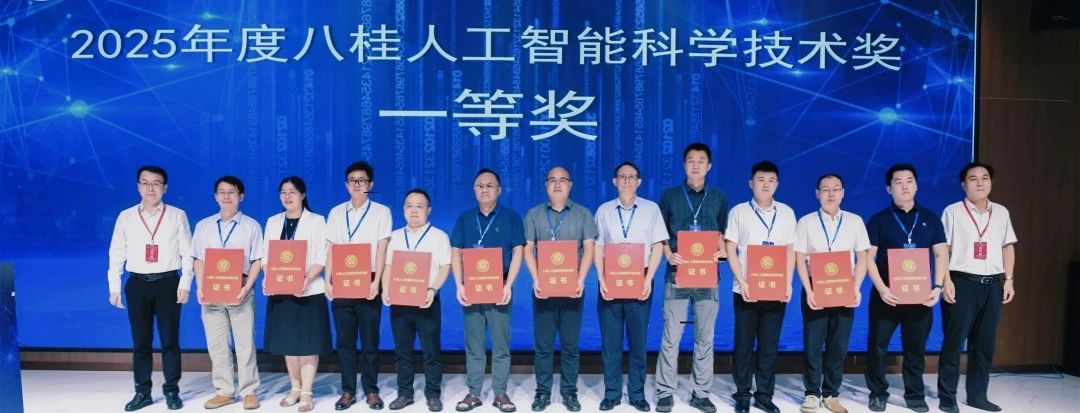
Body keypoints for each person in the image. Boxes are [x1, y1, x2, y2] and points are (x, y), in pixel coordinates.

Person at [863, 163, 948, 413]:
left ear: (917, 185)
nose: (904, 186)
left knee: (915, 348)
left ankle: (915, 394)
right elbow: (868, 258)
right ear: (889, 189)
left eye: (909, 181)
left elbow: (941, 254)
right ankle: (877, 393)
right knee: (877, 346)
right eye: (898, 182)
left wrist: (938, 286)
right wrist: (881, 288)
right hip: (886, 296)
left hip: (920, 297)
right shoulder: (878, 220)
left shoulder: (931, 219)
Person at [108, 165, 192, 411]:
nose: (150, 188)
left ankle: (171, 391)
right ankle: (142, 392)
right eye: (145, 183)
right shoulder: (126, 216)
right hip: (137, 284)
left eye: (156, 183)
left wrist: (185, 283)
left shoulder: (177, 215)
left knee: (170, 341)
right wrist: (114, 287)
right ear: (138, 187)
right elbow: (116, 252)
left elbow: (188, 252)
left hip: (168, 283)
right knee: (141, 342)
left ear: (165, 188)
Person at [936, 162, 1018, 413]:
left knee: (984, 345)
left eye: (985, 178)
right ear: (964, 184)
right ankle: (947, 397)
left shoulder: (1001, 212)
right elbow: (943, 250)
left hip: (992, 285)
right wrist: (946, 281)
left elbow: (1007, 246)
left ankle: (977, 396)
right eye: (973, 179)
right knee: (953, 343)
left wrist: (1009, 279)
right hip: (962, 283)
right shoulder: (952, 211)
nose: (980, 183)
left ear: (991, 182)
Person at [654, 143, 728, 413]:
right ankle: (665, 392)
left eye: (701, 160)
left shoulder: (719, 197)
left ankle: (701, 393)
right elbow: (660, 235)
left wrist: (721, 251)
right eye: (691, 160)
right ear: (684, 165)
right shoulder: (670, 196)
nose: (696, 165)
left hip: (708, 277)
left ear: (709, 166)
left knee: (705, 338)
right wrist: (668, 254)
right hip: (677, 274)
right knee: (671, 336)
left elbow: (723, 234)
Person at [592, 162, 669, 412]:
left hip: (640, 280)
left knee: (638, 341)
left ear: (639, 181)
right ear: (614, 181)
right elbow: (598, 248)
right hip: (610, 281)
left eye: (631, 176)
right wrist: (601, 279)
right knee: (610, 342)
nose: (627, 180)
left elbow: (658, 246)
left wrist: (648, 279)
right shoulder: (604, 210)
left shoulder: (651, 209)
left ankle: (637, 394)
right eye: (622, 176)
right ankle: (612, 393)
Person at [449, 169, 526, 413]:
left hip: (499, 286)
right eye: (480, 185)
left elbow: (519, 252)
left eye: (490, 185)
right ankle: (474, 392)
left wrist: (508, 285)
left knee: (501, 343)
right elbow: (455, 252)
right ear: (474, 189)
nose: (485, 189)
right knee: (474, 343)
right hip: (472, 286)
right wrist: (459, 285)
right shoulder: (464, 219)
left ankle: (500, 393)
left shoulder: (511, 217)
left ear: (499, 190)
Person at [793, 174, 870, 413]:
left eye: (836, 189)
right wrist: (808, 290)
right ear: (817, 193)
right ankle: (811, 393)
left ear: (843, 193)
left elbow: (863, 256)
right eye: (825, 189)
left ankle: (831, 393)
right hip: (815, 287)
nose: (831, 193)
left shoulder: (855, 221)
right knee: (813, 343)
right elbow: (799, 258)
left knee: (839, 344)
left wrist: (856, 288)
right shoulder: (806, 222)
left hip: (844, 287)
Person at [523, 166, 598, 413]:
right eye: (552, 180)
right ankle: (542, 392)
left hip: (572, 289)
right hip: (543, 290)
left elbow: (589, 248)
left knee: (570, 345)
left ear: (571, 184)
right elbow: (528, 249)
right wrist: (535, 280)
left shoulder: (583, 214)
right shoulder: (534, 214)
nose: (557, 184)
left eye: (562, 180)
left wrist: (581, 280)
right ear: (546, 185)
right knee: (543, 346)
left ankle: (569, 392)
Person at [724, 161, 797, 413]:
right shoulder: (738, 212)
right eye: (761, 179)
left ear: (777, 184)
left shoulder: (787, 212)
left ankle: (764, 395)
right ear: (751, 183)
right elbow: (730, 249)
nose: (766, 184)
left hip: (776, 289)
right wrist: (742, 281)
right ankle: (742, 394)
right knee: (743, 345)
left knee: (769, 346)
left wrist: (788, 282)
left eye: (771, 180)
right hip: (746, 290)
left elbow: (790, 249)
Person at [324, 161, 393, 411]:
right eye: (352, 180)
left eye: (362, 180)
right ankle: (348, 391)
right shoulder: (335, 213)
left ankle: (371, 390)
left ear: (370, 184)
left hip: (369, 279)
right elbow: (331, 248)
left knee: (370, 340)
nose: (357, 184)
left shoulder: (381, 212)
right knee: (345, 340)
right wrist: (327, 280)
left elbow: (383, 248)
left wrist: (377, 282)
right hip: (342, 279)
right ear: (346, 185)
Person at [260, 176, 332, 413]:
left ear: (302, 194)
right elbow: (266, 256)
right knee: (289, 342)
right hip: (281, 289)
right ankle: (295, 388)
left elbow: (323, 256)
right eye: (283, 192)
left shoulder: (317, 221)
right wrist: (269, 277)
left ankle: (307, 392)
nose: (287, 196)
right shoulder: (273, 222)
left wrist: (306, 279)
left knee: (308, 343)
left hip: (309, 290)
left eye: (292, 191)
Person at [191, 176, 263, 410]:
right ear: (215, 196)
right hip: (211, 291)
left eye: (231, 192)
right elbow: (197, 259)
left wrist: (247, 287)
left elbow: (257, 260)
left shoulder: (251, 226)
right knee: (217, 345)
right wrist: (201, 286)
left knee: (245, 344)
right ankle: (224, 391)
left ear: (241, 196)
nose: (226, 196)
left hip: (240, 289)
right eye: (221, 192)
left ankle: (249, 391)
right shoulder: (203, 226)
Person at [384, 189, 452, 412]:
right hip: (400, 301)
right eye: (409, 206)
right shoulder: (394, 236)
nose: (414, 210)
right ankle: (404, 394)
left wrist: (433, 289)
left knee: (431, 351)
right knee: (402, 351)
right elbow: (388, 266)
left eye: (419, 206)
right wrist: (385, 289)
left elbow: (446, 266)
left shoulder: (439, 236)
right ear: (403, 209)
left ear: (428, 210)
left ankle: (433, 394)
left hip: (427, 301)